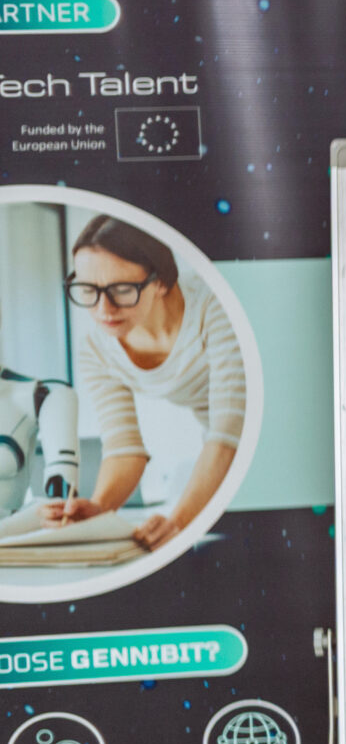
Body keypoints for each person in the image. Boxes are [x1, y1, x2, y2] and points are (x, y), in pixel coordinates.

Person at [45, 215, 247, 551]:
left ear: (161, 281)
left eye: (122, 290)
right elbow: (124, 449)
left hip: (255, 439)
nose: (103, 309)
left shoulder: (215, 306)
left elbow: (228, 432)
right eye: (88, 289)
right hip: (224, 459)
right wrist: (99, 509)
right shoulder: (97, 349)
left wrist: (177, 522)